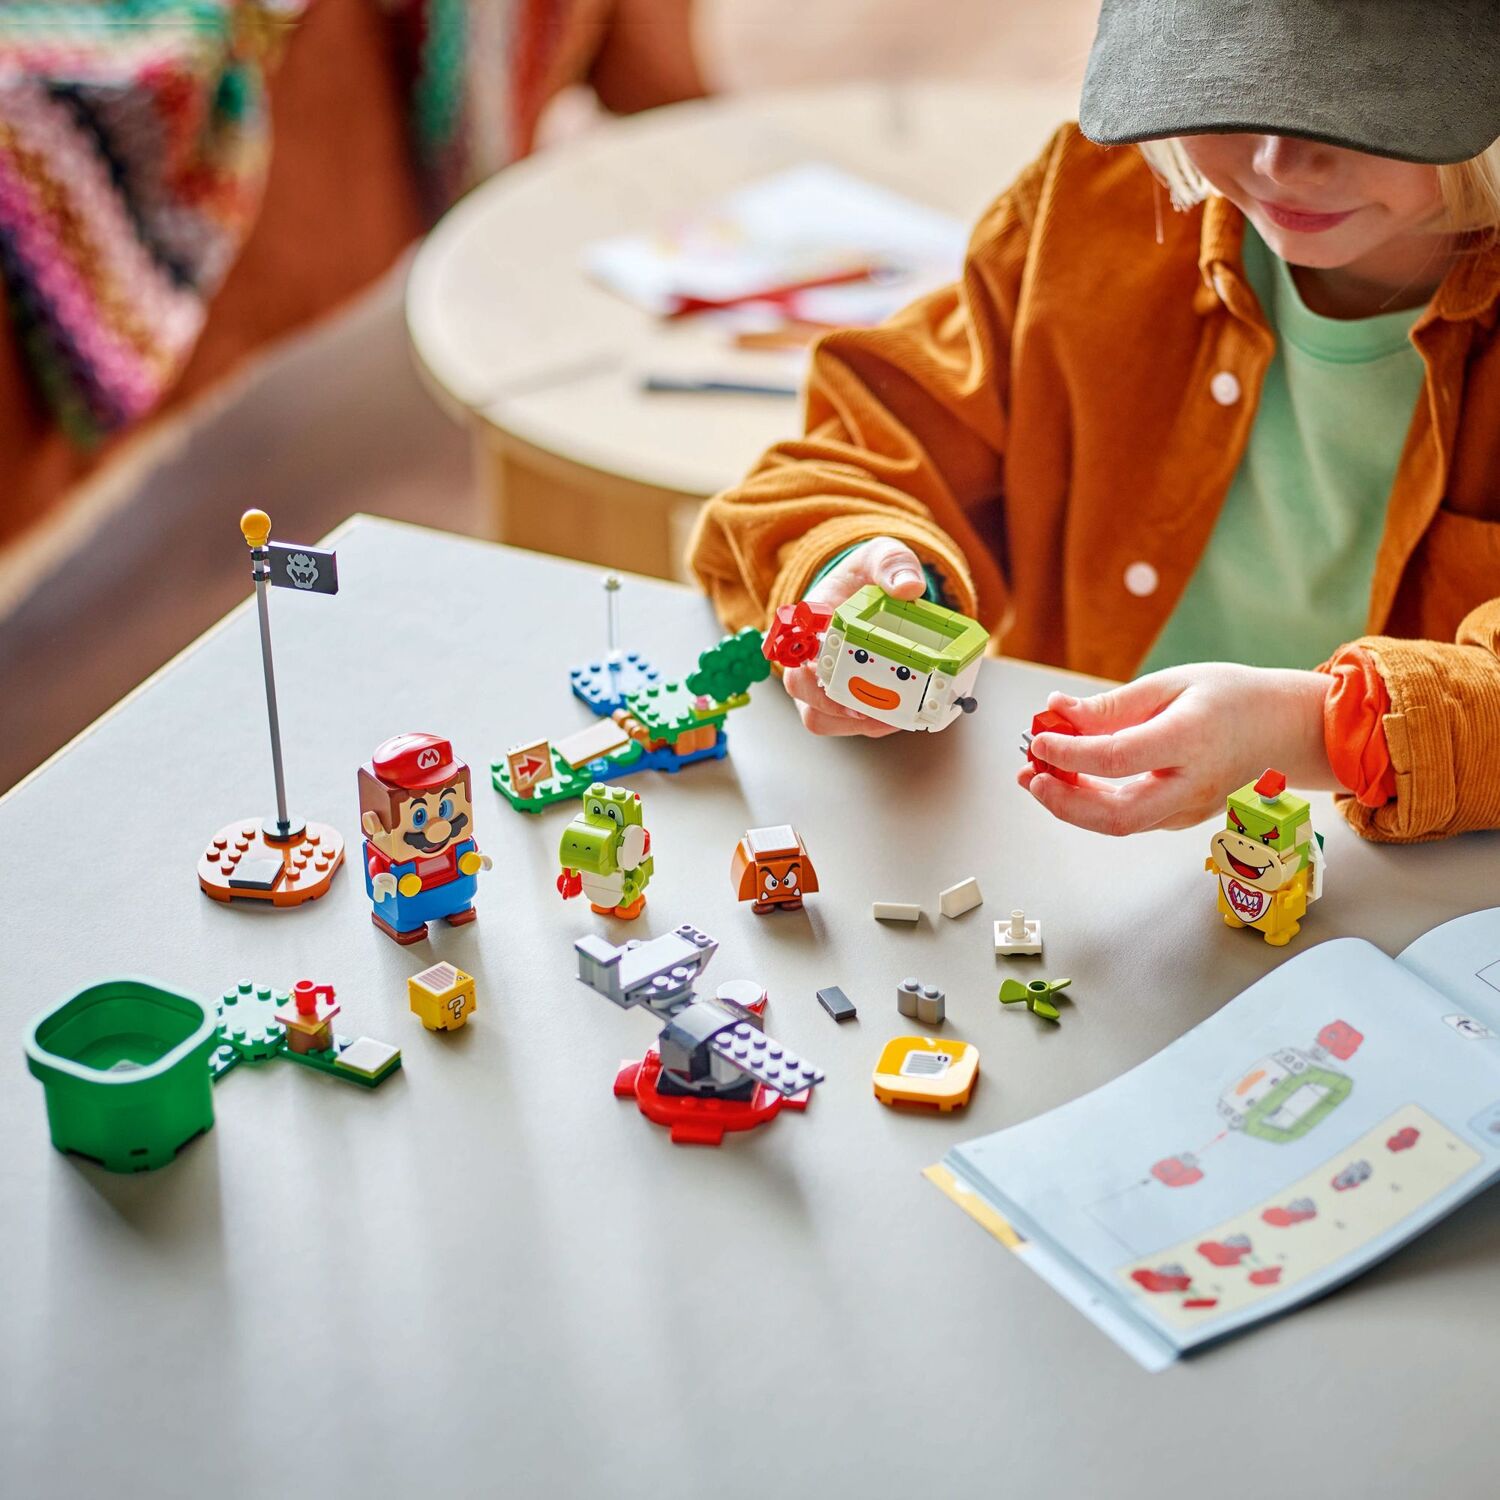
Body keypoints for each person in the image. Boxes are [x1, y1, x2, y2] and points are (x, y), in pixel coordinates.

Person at [687, 0, 1500, 843]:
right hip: (1073, 842)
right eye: (1233, 85)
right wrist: (867, 568)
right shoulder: (1097, 204)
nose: (1279, 162)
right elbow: (848, 459)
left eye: (1360, 104)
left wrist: (1312, 731)